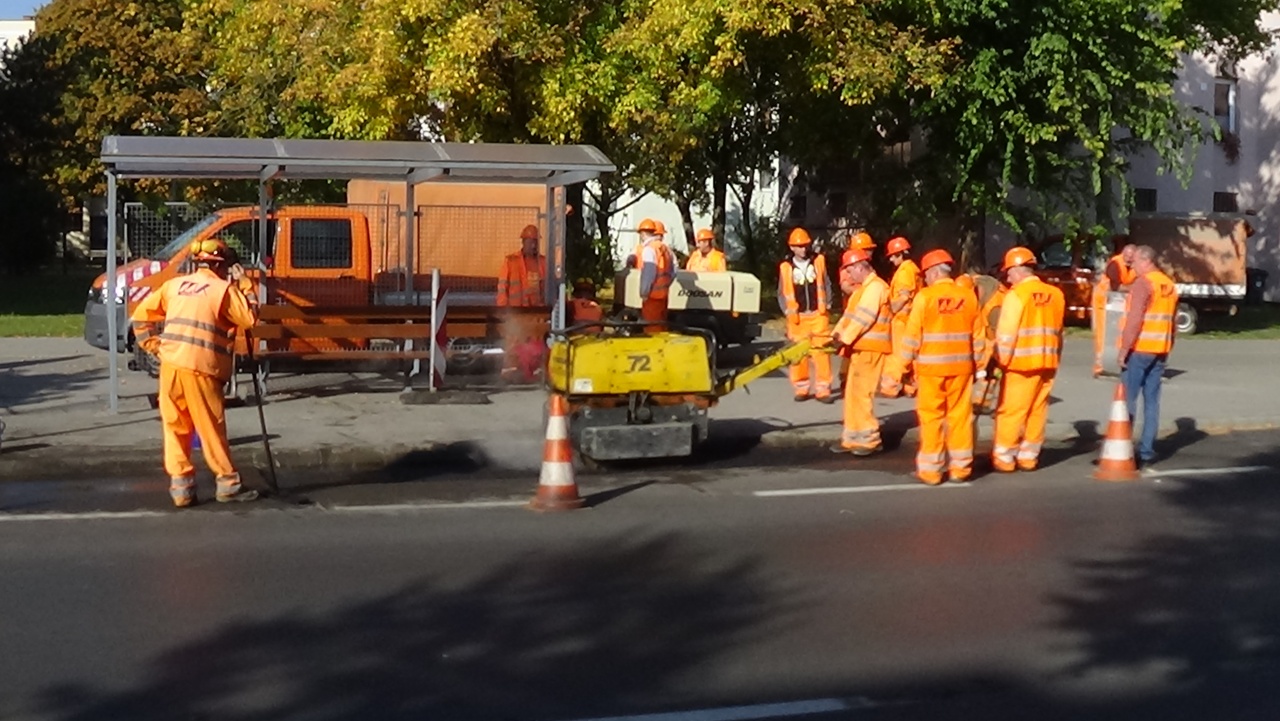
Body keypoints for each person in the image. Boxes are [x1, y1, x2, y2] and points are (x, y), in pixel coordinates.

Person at [130, 238, 260, 507]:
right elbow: (250, 319)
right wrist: (245, 285)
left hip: (171, 366)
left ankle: (182, 489)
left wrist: (155, 346)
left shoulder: (174, 286)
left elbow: (141, 317)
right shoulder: (222, 290)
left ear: (196, 263)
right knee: (210, 427)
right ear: (221, 265)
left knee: (176, 426)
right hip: (202, 369)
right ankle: (227, 483)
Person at [884, 249, 986, 484]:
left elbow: (911, 339)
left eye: (925, 275)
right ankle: (961, 469)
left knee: (932, 419)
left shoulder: (925, 298)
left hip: (931, 372)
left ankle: (932, 471)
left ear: (933, 272)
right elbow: (978, 337)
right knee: (960, 418)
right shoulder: (968, 297)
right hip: (962, 371)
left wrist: (898, 371)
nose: (924, 279)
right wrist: (980, 368)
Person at [991, 247, 1065, 472]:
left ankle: (1004, 458)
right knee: (1037, 411)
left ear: (1017, 269)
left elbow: (1006, 334)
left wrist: (999, 361)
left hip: (1020, 365)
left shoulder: (1016, 296)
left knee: (1012, 411)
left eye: (1009, 272)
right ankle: (1028, 457)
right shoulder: (1055, 294)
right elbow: (1059, 332)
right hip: (1047, 363)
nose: (1008, 278)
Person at [1117, 245, 1178, 471]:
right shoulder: (1168, 284)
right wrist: (1168, 346)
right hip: (1159, 350)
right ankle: (1147, 450)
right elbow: (1172, 321)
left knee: (1127, 401)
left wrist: (1124, 349)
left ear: (1145, 260)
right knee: (1152, 402)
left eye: (1133, 263)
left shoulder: (1143, 284)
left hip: (1139, 350)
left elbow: (1135, 320)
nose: (1131, 267)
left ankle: (1122, 447)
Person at [830, 248, 893, 454]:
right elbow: (849, 316)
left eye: (850, 270)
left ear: (860, 267)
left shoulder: (875, 288)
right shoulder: (863, 290)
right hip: (861, 349)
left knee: (862, 394)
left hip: (871, 349)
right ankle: (852, 438)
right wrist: (836, 335)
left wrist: (844, 338)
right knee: (853, 394)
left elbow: (863, 318)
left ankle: (869, 441)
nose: (848, 275)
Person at [779, 228, 834, 402]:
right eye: (799, 246)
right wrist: (787, 311)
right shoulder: (785, 267)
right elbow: (781, 292)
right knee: (799, 355)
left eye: (805, 245)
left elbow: (826, 283)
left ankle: (823, 390)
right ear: (792, 248)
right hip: (798, 318)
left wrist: (829, 303)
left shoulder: (819, 261)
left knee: (821, 354)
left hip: (818, 315)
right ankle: (801, 388)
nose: (803, 249)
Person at [1092, 242, 1137, 377]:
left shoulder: (1134, 266)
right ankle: (1100, 367)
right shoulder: (1115, 264)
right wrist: (1133, 288)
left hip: (1119, 303)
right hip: (1104, 302)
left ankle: (1119, 362)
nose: (1129, 259)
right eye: (1127, 256)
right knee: (1103, 334)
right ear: (1123, 253)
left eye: (1132, 257)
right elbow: (1115, 286)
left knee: (1120, 333)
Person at [885, 236, 921, 397]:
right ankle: (911, 387)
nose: (891, 259)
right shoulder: (912, 268)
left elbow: (904, 296)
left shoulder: (905, 271)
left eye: (894, 255)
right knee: (911, 354)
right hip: (910, 319)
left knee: (899, 355)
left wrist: (890, 310)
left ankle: (890, 387)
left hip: (902, 320)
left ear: (902, 254)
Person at [634, 218, 676, 332]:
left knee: (651, 328)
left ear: (642, 233)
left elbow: (649, 273)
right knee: (661, 325)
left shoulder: (649, 249)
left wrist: (644, 292)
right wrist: (665, 285)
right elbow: (674, 271)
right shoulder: (665, 249)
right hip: (663, 295)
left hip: (652, 296)